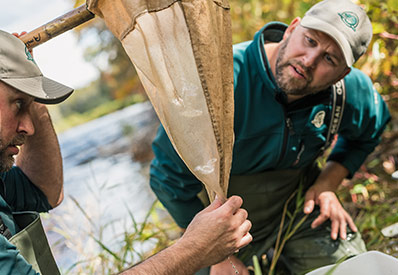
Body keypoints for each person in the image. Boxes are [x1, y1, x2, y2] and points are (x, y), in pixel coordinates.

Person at [0, 25, 252, 274]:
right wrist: (193, 252)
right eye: (18, 104)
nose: (29, 127)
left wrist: (29, 85)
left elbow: (43, 190)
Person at [149, 0, 390, 274]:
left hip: (300, 212)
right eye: (310, 40)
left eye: (329, 58)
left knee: (357, 270)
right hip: (222, 225)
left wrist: (328, 183)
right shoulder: (217, 85)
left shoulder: (349, 92)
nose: (309, 61)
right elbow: (167, 177)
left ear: (342, 74)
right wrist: (215, 255)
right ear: (292, 29)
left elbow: (370, 130)